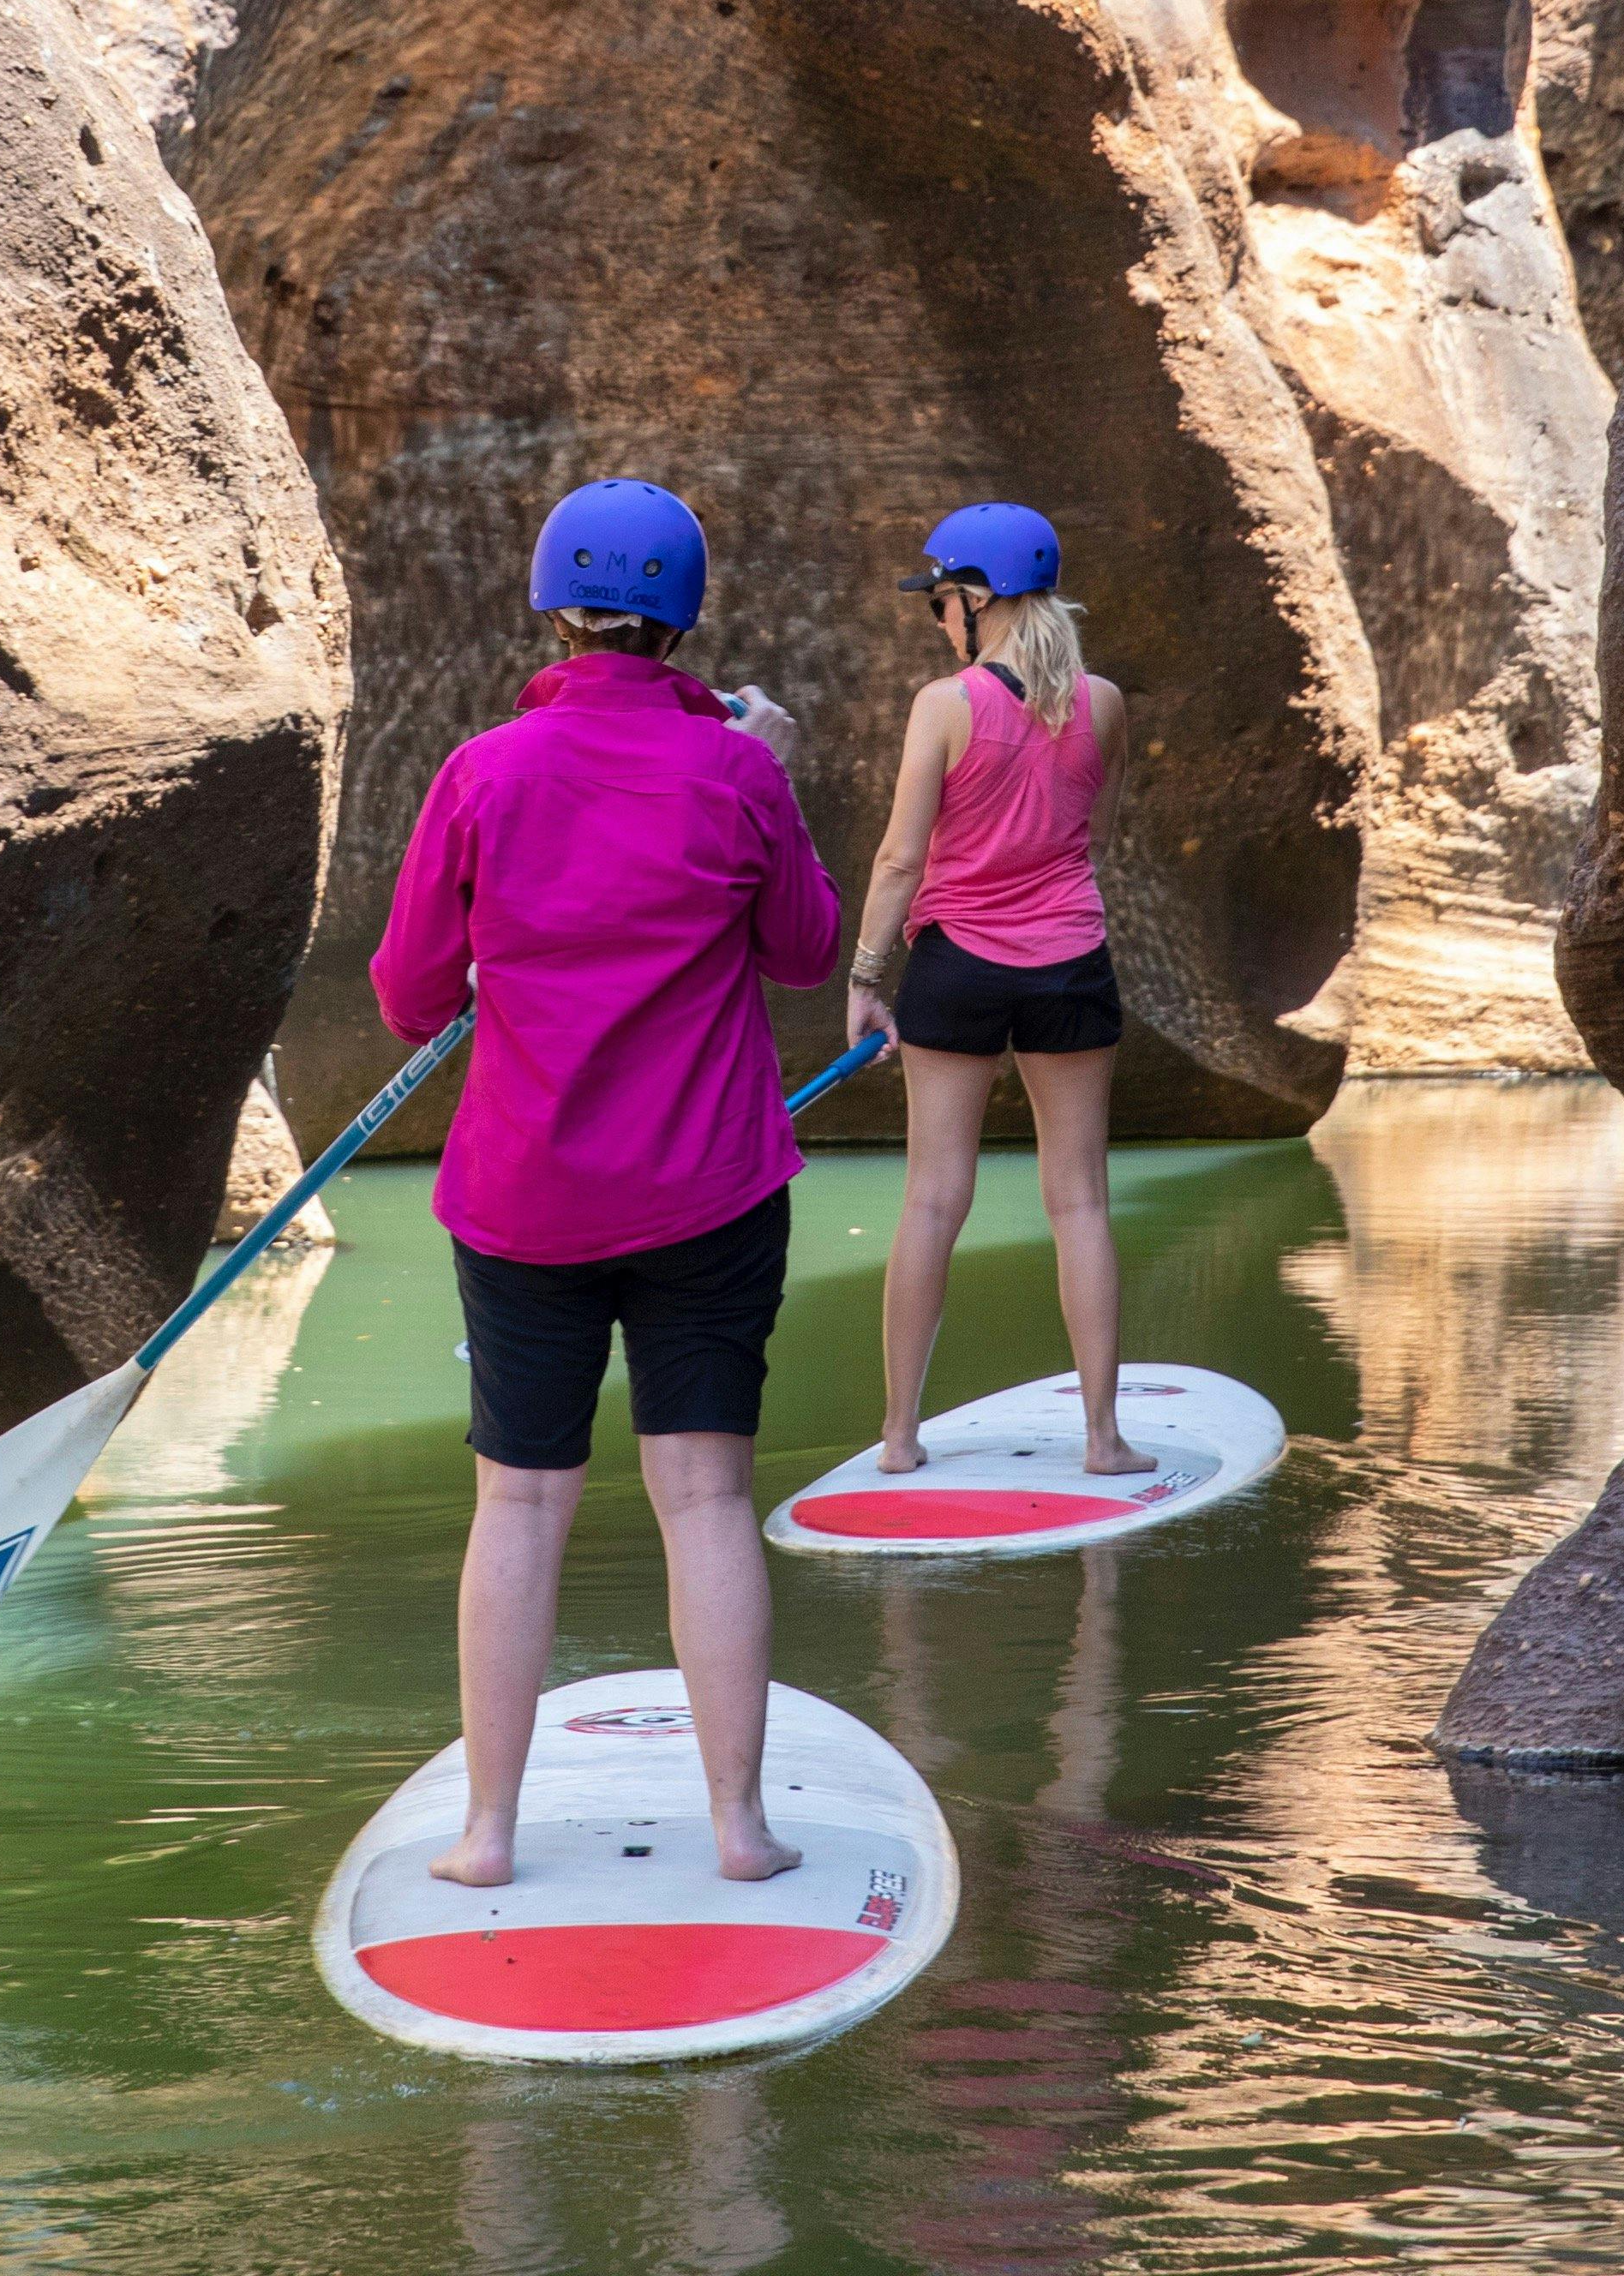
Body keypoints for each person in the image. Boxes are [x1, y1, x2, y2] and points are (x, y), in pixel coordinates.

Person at [373, 475, 840, 1890]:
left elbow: (406, 999)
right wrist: (772, 768)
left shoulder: (484, 772)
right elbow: (807, 951)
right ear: (682, 622)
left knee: (518, 1503)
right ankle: (742, 1831)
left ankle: (487, 1838)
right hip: (710, 1189)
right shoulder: (738, 772)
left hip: (524, 1204)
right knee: (706, 1496)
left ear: (554, 604)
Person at [840, 500, 1136, 1479]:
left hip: (957, 964)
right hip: (1069, 964)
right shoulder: (1102, 702)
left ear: (976, 599)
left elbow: (897, 859)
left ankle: (897, 1438)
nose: (936, 617)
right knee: (1081, 1203)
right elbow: (1096, 819)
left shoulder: (946, 706)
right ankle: (1102, 1439)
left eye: (938, 601)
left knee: (931, 1203)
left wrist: (868, 977)